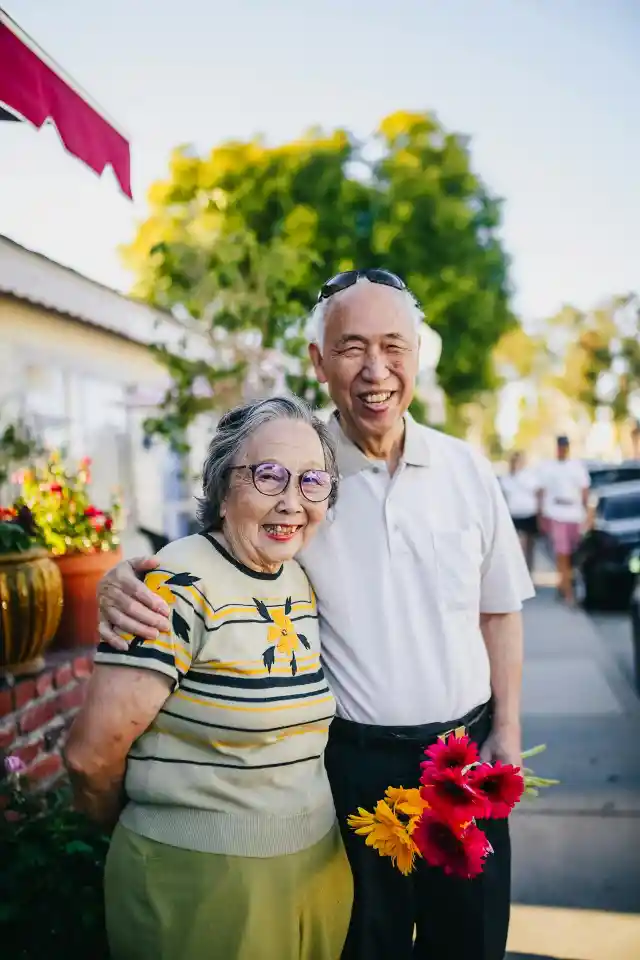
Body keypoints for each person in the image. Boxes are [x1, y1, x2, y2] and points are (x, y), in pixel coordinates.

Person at [98, 268, 534, 960]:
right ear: (317, 362)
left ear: (418, 355)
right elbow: (216, 543)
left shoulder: (467, 470)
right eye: (351, 347)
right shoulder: (299, 471)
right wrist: (119, 576)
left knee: (471, 942)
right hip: (352, 767)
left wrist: (506, 729)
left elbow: (500, 609)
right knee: (367, 947)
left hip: (464, 757)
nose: (375, 370)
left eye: (395, 346)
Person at [64, 396, 353, 960]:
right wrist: (147, 828)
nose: (292, 501)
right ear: (223, 487)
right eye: (268, 476)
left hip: (313, 872)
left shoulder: (297, 577)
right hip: (198, 885)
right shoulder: (177, 583)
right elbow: (88, 756)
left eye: (312, 481)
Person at [536, 435, 590, 605]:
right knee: (562, 553)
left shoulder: (576, 467)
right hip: (556, 512)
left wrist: (587, 514)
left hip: (574, 513)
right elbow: (542, 492)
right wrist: (541, 515)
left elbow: (584, 491)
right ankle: (568, 594)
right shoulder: (549, 467)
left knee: (573, 555)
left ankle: (564, 584)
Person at [500, 451, 538, 571]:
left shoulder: (529, 476)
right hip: (514, 514)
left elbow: (537, 492)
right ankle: (519, 570)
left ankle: (529, 570)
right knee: (517, 544)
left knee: (529, 545)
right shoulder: (507, 478)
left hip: (529, 513)